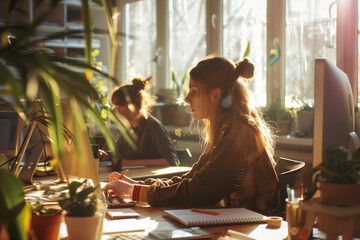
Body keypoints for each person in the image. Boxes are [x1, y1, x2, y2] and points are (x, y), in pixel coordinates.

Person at [104, 56, 279, 212]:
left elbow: (198, 191)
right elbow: (191, 179)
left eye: (193, 91)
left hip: (248, 229)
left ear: (216, 94)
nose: (187, 99)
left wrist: (135, 192)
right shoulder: (226, 130)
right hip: (234, 221)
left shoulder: (237, 134)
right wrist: (137, 186)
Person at [102, 77, 180, 167]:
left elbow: (171, 161)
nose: (116, 110)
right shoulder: (129, 127)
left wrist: (130, 163)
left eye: (119, 106)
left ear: (133, 107)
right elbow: (117, 153)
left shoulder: (153, 126)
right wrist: (106, 155)